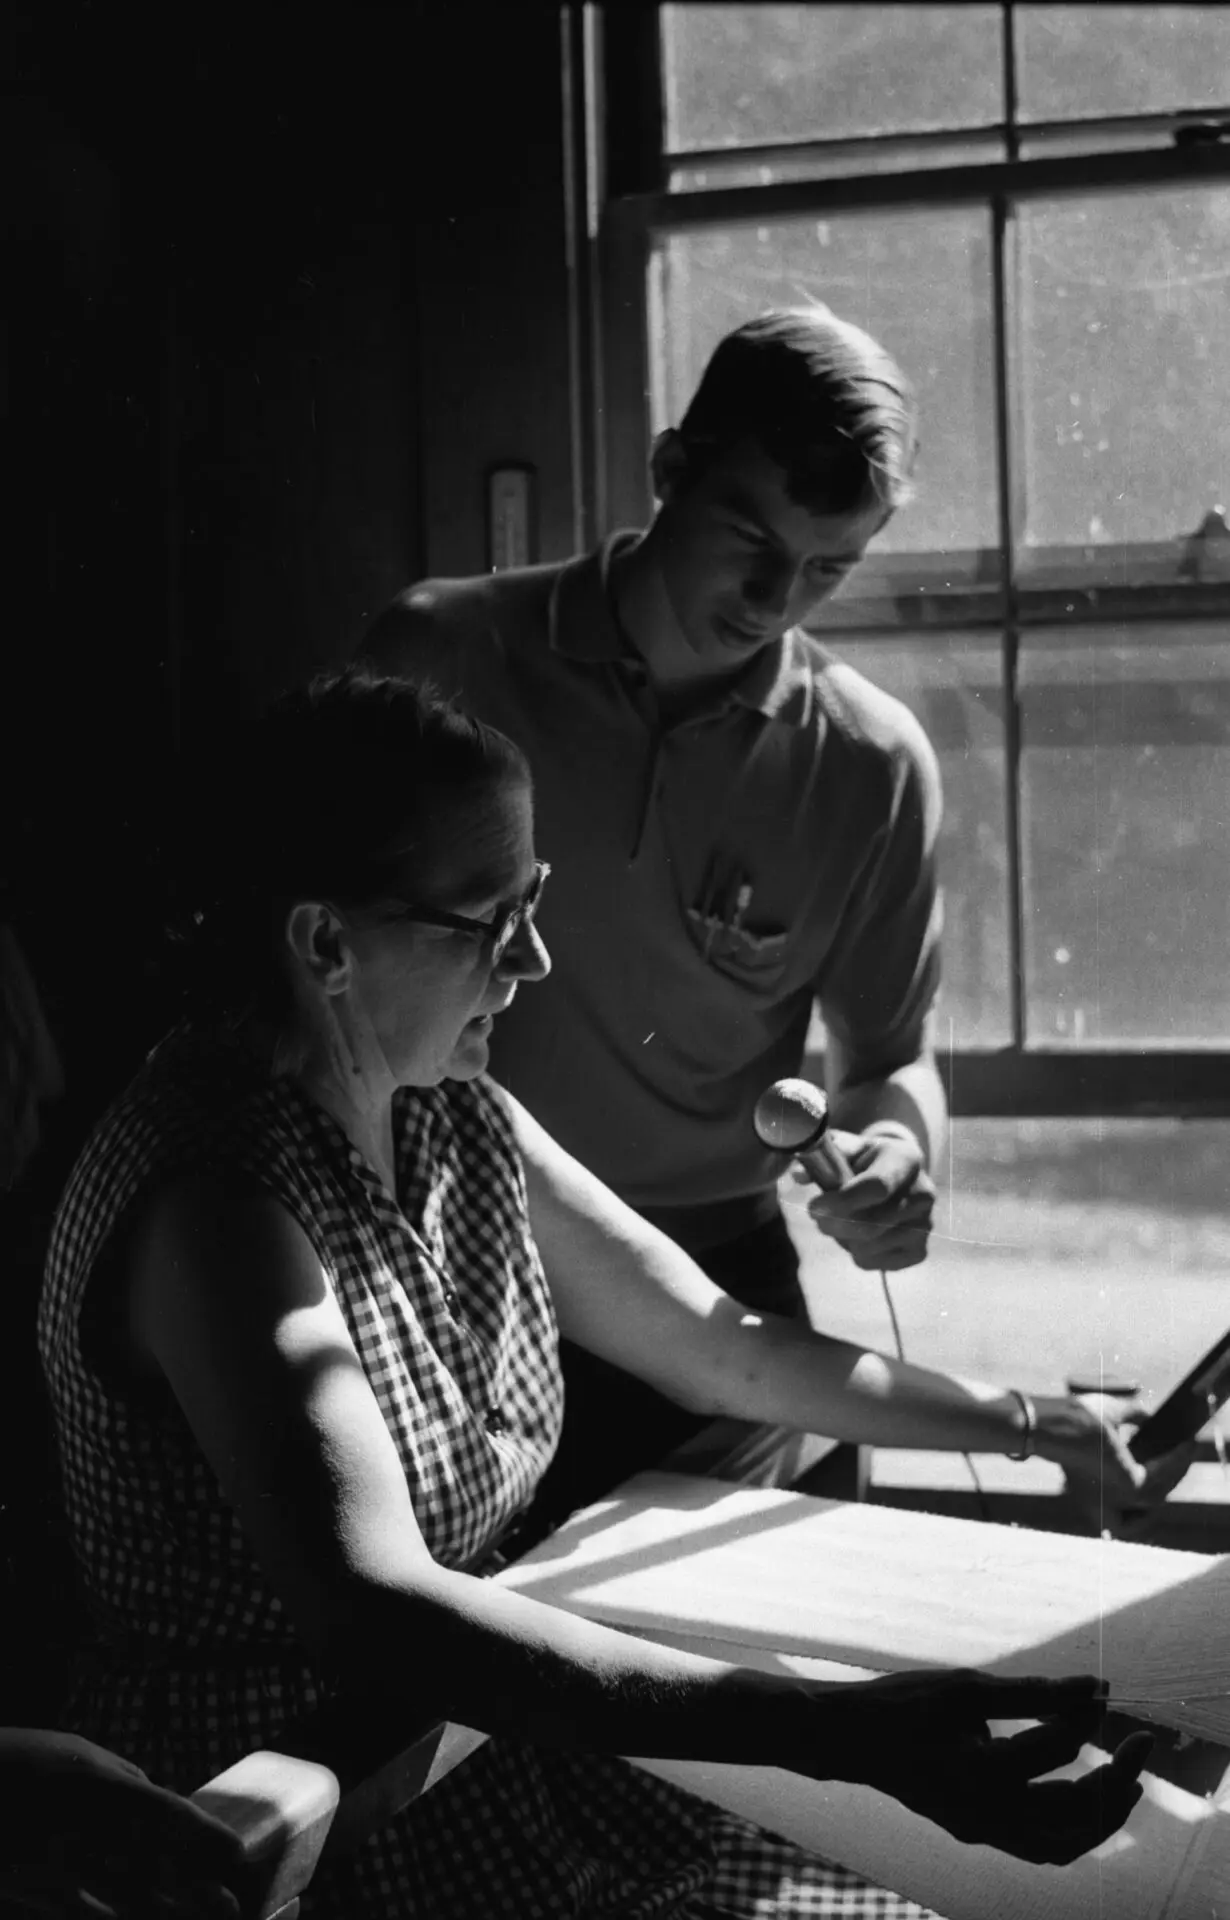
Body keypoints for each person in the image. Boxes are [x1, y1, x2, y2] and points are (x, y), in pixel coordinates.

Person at [39, 667, 1156, 1920]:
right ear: (325, 945)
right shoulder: (215, 1202)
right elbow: (376, 1609)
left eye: (535, 900)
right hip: (290, 1821)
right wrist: (835, 1732)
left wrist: (1035, 1425)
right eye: (490, 920)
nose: (535, 958)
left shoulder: (452, 1117)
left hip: (474, 1752)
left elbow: (723, 1348)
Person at [360, 303, 950, 1513]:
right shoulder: (440, 655)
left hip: (720, 1287)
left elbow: (893, 1059)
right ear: (671, 468)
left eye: (829, 568)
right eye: (751, 537)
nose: (777, 597)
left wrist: (897, 1152)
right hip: (442, 1268)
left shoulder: (871, 764)